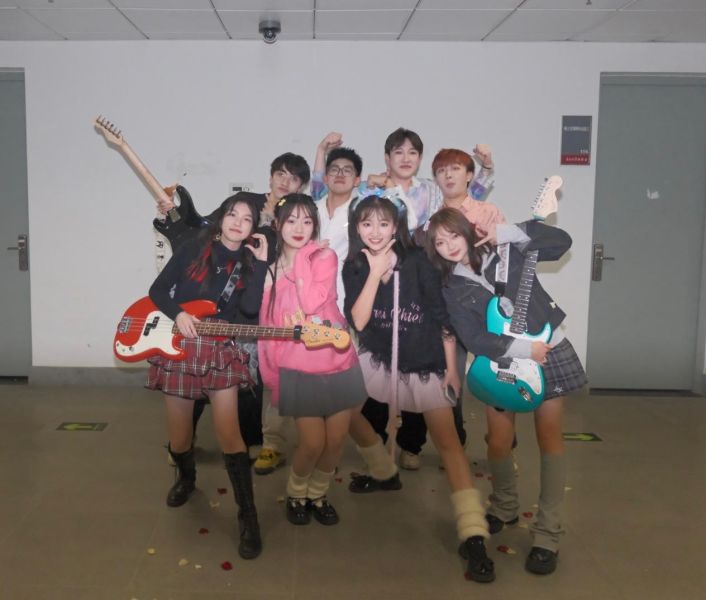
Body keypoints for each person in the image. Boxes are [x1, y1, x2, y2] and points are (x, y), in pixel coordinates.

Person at [426, 207, 587, 575]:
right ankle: (504, 506)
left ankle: (547, 533)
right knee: (499, 441)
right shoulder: (451, 287)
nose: (450, 245)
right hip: (502, 361)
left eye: (453, 235)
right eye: (440, 242)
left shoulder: (507, 251)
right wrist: (522, 350)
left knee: (549, 437)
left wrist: (510, 232)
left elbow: (561, 243)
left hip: (548, 351)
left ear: (468, 231)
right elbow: (473, 338)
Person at [342, 195, 495, 583]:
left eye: (383, 223)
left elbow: (442, 317)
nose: (375, 232)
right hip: (379, 355)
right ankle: (383, 470)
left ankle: (474, 534)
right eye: (366, 223)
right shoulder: (355, 264)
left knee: (448, 443)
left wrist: (451, 369)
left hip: (425, 360)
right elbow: (358, 321)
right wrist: (375, 273)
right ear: (356, 227)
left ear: (396, 227)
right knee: (343, 410)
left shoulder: (419, 261)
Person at [146, 193, 269, 560]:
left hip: (220, 350)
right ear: (221, 218)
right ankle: (187, 479)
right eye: (232, 214)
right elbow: (157, 291)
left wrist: (262, 263)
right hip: (180, 347)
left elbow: (250, 309)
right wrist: (178, 313)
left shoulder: (248, 263)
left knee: (230, 435)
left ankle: (248, 516)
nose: (238, 222)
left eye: (246, 219)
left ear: (252, 229)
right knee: (180, 438)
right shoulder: (193, 249)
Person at [258, 194, 366, 526]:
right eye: (291, 220)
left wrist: (303, 258)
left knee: (335, 441)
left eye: (307, 221)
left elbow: (312, 301)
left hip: (337, 358)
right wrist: (273, 376)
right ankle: (295, 493)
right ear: (278, 225)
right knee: (312, 442)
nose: (299, 228)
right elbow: (268, 328)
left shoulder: (324, 256)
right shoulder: (270, 272)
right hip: (296, 368)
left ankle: (318, 494)